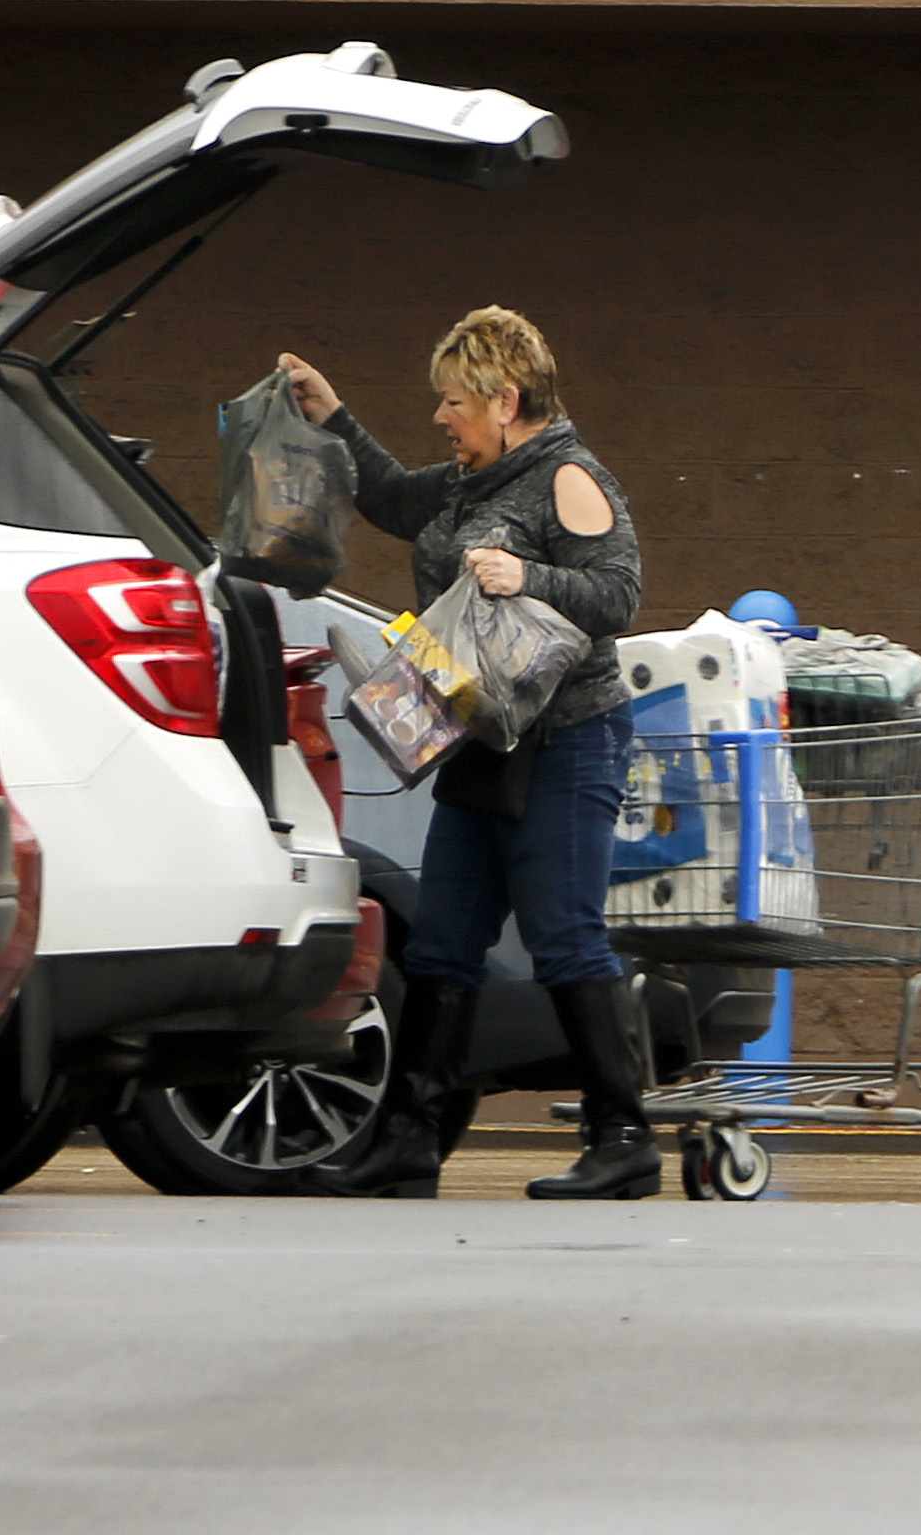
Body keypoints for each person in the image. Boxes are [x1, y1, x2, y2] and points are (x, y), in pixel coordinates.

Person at [275, 306, 661, 1202]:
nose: (442, 418)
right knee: (446, 941)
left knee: (565, 935)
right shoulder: (467, 482)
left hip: (567, 743)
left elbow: (620, 594)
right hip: (483, 741)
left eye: (454, 402)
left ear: (505, 399)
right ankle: (408, 1141)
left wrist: (530, 577)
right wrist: (332, 418)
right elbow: (389, 498)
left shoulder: (566, 476)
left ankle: (625, 1139)